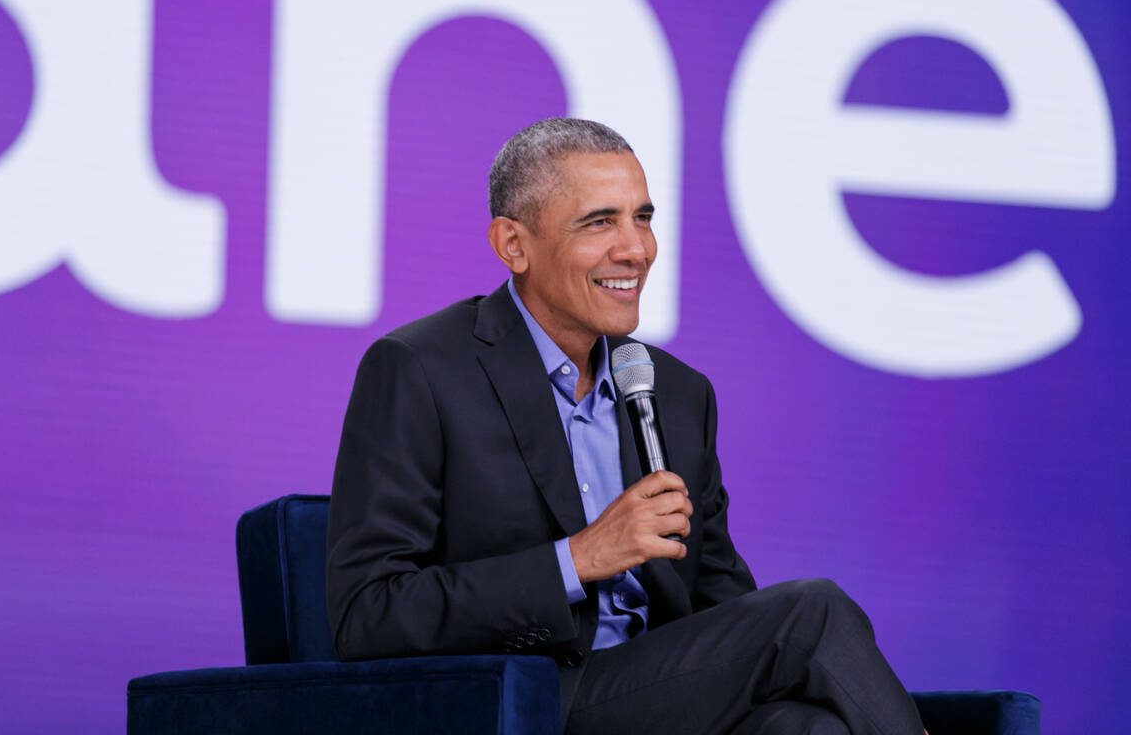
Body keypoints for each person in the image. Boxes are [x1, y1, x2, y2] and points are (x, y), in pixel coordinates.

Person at [326, 118, 926, 734]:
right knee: (811, 613)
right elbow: (367, 615)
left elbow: (724, 606)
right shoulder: (421, 369)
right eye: (599, 222)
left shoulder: (677, 393)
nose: (636, 249)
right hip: (526, 700)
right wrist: (578, 558)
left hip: (660, 695)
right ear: (514, 245)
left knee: (807, 728)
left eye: (642, 217)